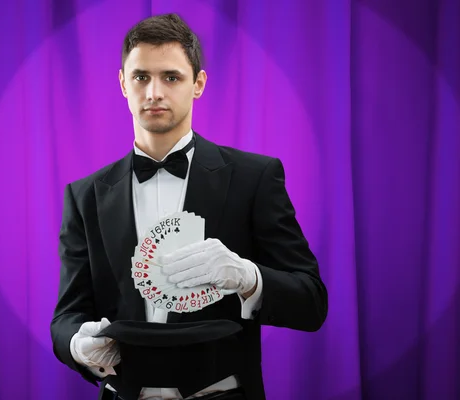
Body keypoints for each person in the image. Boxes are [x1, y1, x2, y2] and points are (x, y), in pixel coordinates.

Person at [50, 13, 328, 400]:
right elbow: (67, 316)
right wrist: (78, 347)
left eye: (172, 77)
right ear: (122, 84)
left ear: (198, 84)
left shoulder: (254, 178)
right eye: (141, 77)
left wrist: (249, 277)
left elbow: (311, 302)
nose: (154, 93)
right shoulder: (85, 195)